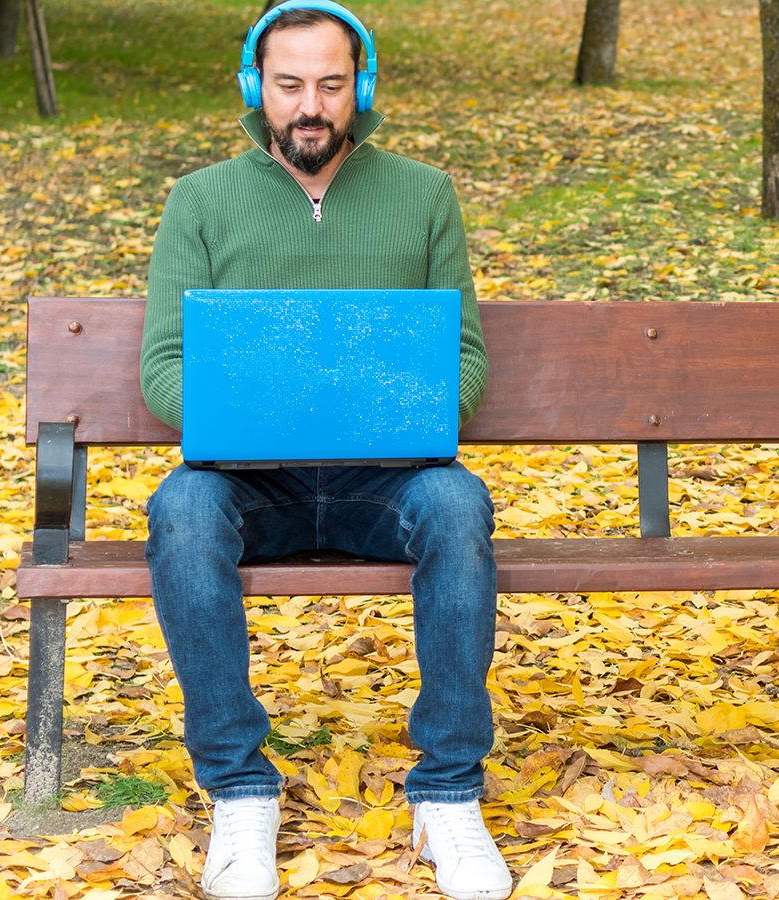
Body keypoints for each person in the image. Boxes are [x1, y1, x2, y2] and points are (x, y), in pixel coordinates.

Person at [140, 3, 512, 899]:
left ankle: (450, 792)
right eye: (290, 83)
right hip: (247, 484)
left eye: (332, 84)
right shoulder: (200, 199)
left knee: (458, 503)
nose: (311, 104)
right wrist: (242, 420)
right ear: (253, 88)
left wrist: (411, 410)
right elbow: (161, 365)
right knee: (179, 510)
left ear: (363, 88)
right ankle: (238, 788)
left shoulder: (423, 193)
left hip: (384, 483)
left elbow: (463, 352)